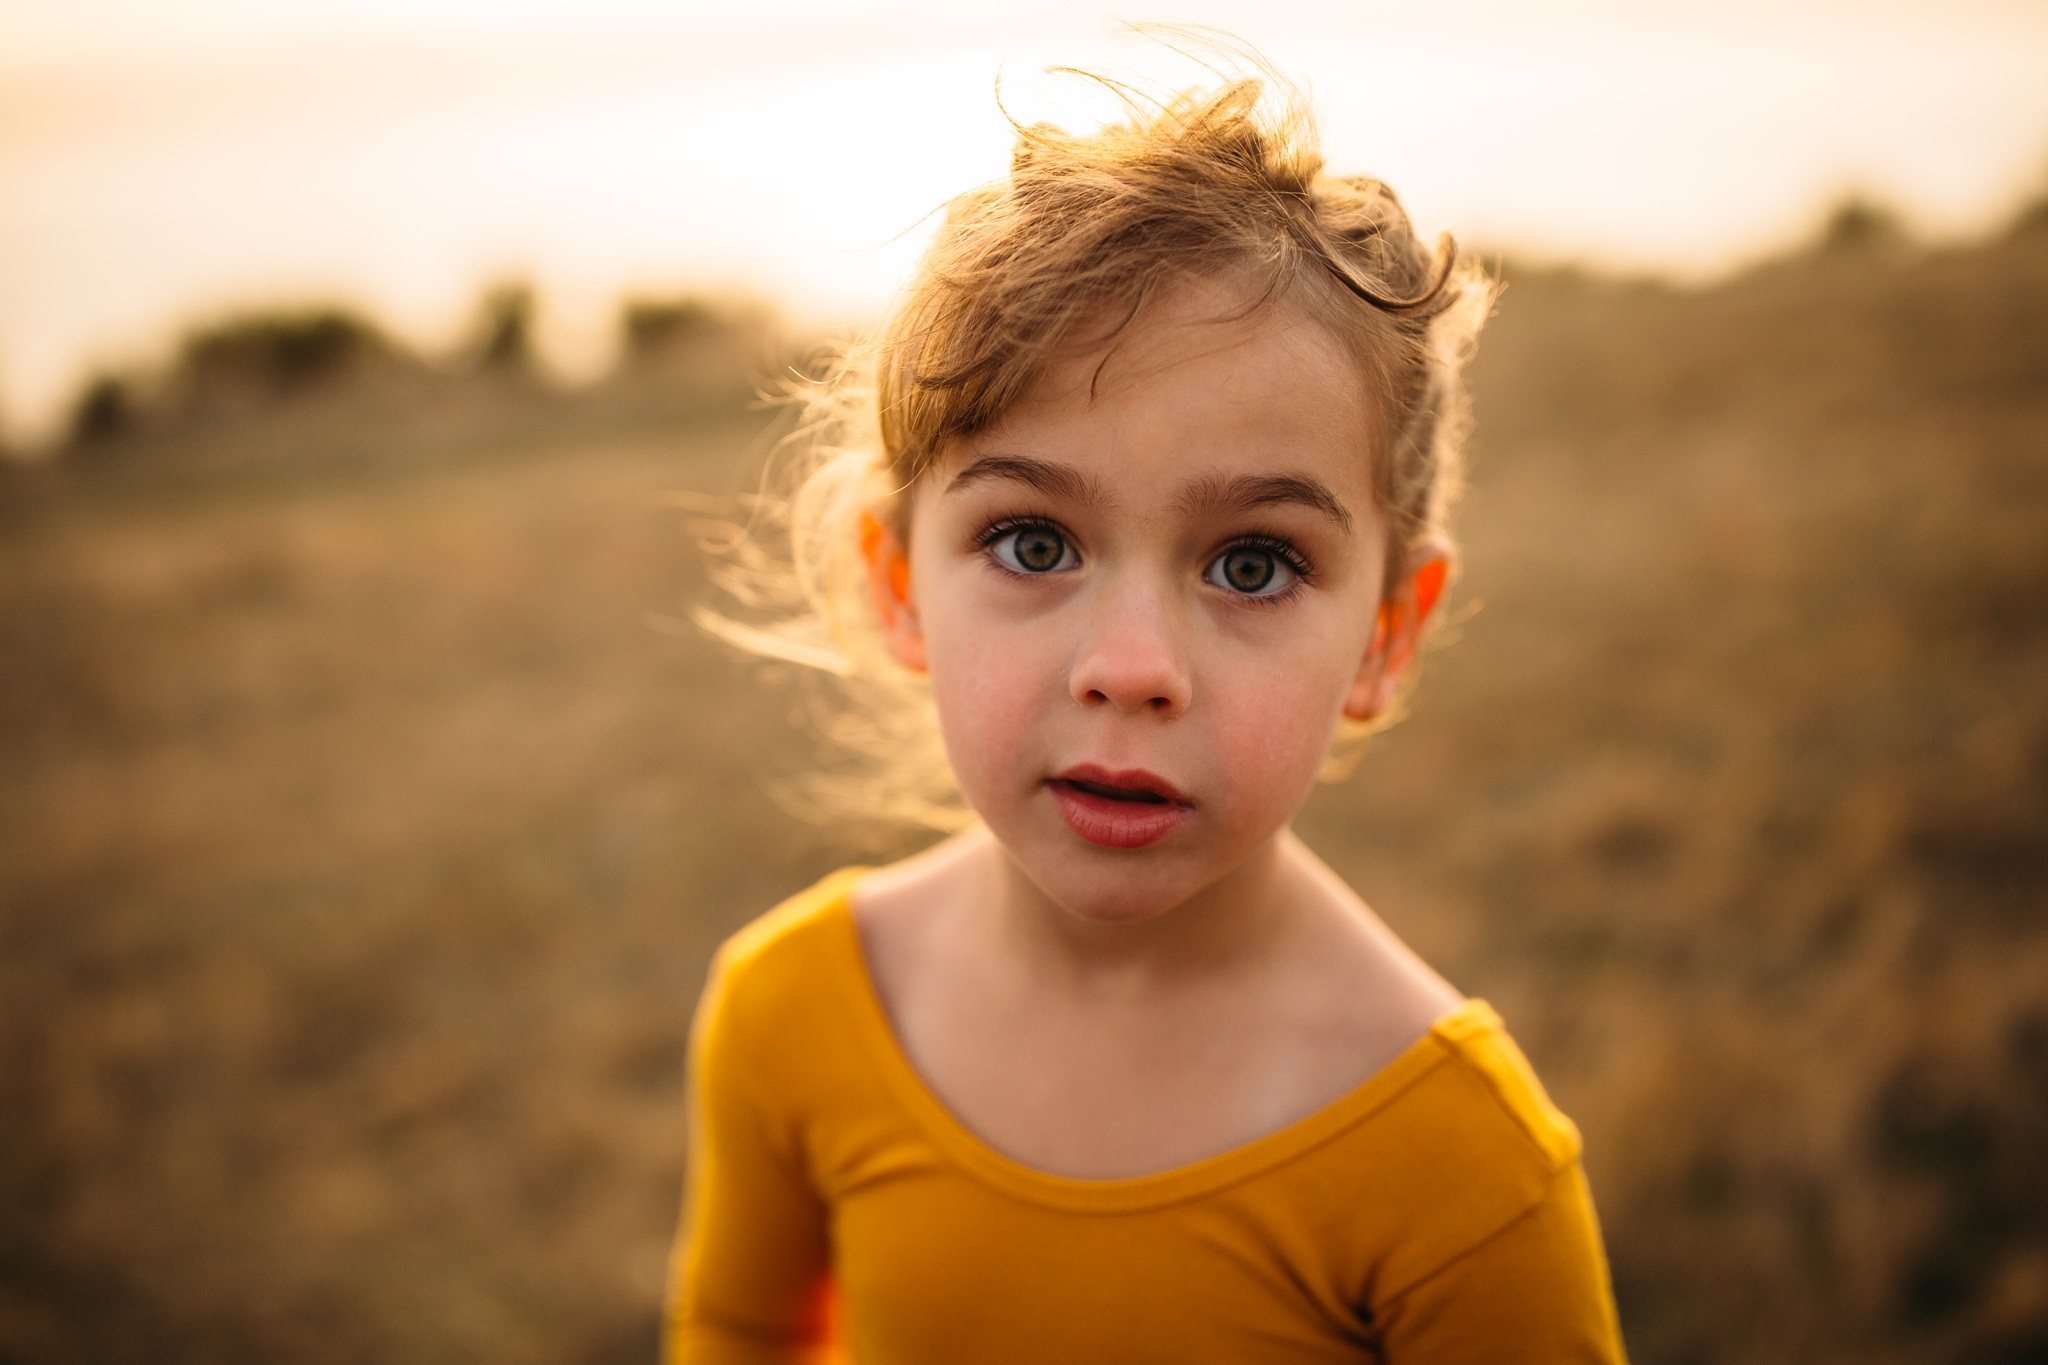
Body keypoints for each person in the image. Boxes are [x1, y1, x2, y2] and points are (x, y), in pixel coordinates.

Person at [664, 53, 1629, 1365]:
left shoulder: (1460, 1168)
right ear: (897, 585)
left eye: (1252, 563)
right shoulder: (791, 1017)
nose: (1131, 665)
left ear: (1386, 634)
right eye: (1032, 541)